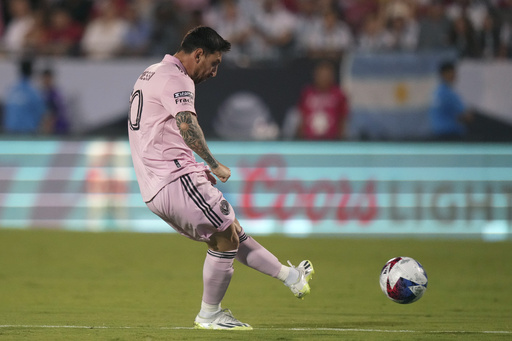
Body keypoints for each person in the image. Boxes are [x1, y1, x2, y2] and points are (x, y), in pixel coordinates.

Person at [128, 26, 315, 330]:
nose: (214, 73)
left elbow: (155, 129)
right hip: (173, 177)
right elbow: (186, 123)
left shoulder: (151, 72)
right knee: (225, 238)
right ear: (198, 54)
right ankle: (210, 314)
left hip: (158, 181)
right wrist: (212, 164)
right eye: (213, 63)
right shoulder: (178, 79)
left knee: (231, 232)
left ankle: (290, 277)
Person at [297, 61, 349, 140]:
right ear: (315, 76)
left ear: (332, 76)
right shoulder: (307, 93)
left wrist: (340, 140)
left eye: (327, 75)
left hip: (331, 141)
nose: (324, 78)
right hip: (309, 140)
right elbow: (301, 118)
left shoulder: (339, 94)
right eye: (321, 75)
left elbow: (342, 119)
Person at [429, 61, 473, 140]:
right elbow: (466, 117)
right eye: (450, 72)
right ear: (443, 74)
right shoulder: (448, 94)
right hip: (451, 135)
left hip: (438, 134)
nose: (453, 75)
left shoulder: (436, 92)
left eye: (454, 72)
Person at [3, 58, 46, 134]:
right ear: (31, 72)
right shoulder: (34, 92)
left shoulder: (11, 90)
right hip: (27, 134)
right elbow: (41, 114)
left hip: (10, 133)